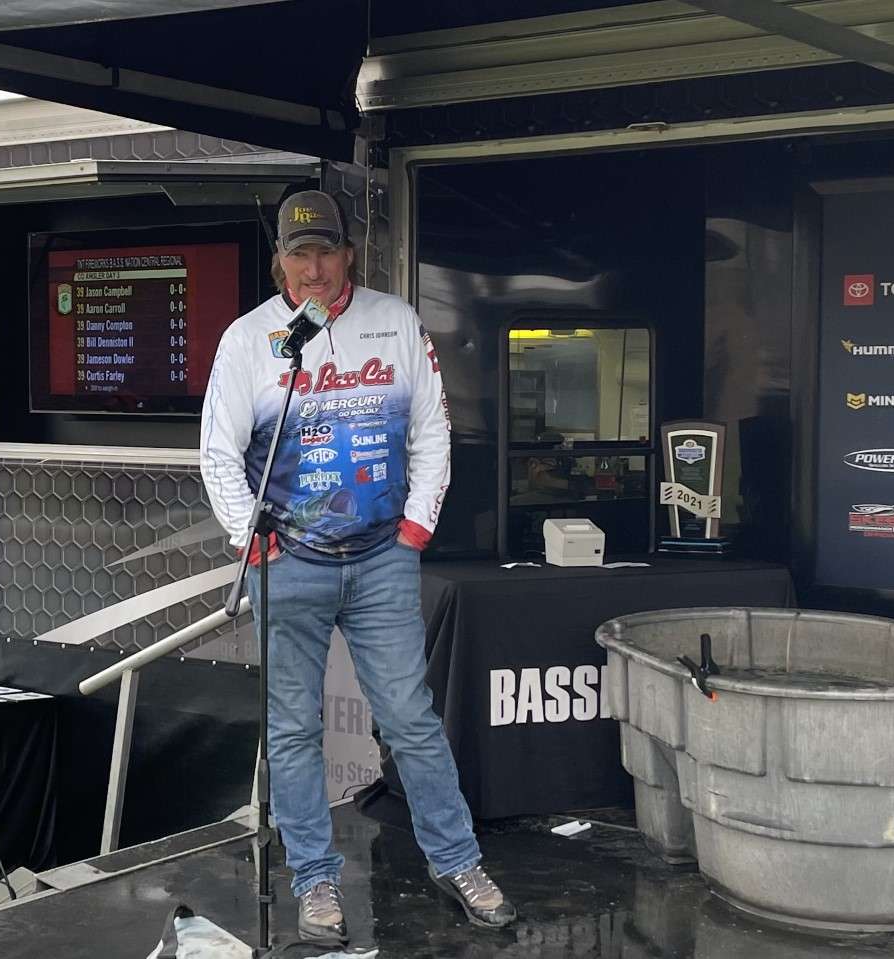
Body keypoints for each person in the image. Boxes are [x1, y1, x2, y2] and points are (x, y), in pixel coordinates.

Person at [200, 190, 516, 942]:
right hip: (288, 563)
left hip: (381, 559)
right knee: (293, 730)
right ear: (279, 259)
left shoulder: (397, 321)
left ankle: (458, 859)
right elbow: (217, 452)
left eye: (326, 251)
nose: (314, 268)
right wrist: (253, 534)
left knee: (409, 719)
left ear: (349, 254)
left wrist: (416, 525)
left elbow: (433, 427)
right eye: (299, 253)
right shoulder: (249, 341)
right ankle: (315, 882)